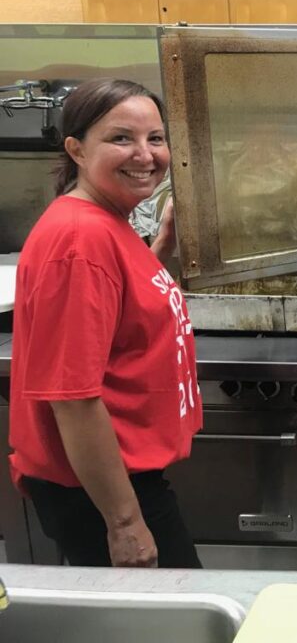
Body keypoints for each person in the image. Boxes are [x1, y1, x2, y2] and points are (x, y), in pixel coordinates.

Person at [9, 78, 203, 568]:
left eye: (155, 138)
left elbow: (118, 305)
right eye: (121, 138)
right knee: (173, 611)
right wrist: (125, 524)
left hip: (121, 476)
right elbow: (73, 399)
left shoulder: (105, 222)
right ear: (76, 149)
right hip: (98, 492)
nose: (145, 154)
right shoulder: (80, 241)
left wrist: (162, 247)